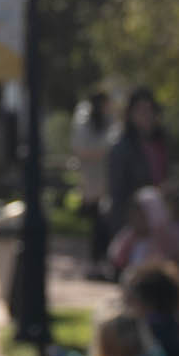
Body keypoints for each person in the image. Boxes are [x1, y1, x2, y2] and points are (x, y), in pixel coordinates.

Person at [107, 92, 173, 234]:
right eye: (141, 110)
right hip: (136, 222)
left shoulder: (161, 143)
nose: (147, 115)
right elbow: (118, 193)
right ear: (130, 114)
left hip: (160, 217)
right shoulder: (122, 148)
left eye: (150, 110)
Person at [74, 93, 117, 260]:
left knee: (103, 220)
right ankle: (96, 258)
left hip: (105, 180)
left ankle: (102, 257)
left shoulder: (110, 120)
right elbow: (82, 147)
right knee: (96, 221)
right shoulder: (84, 120)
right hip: (92, 179)